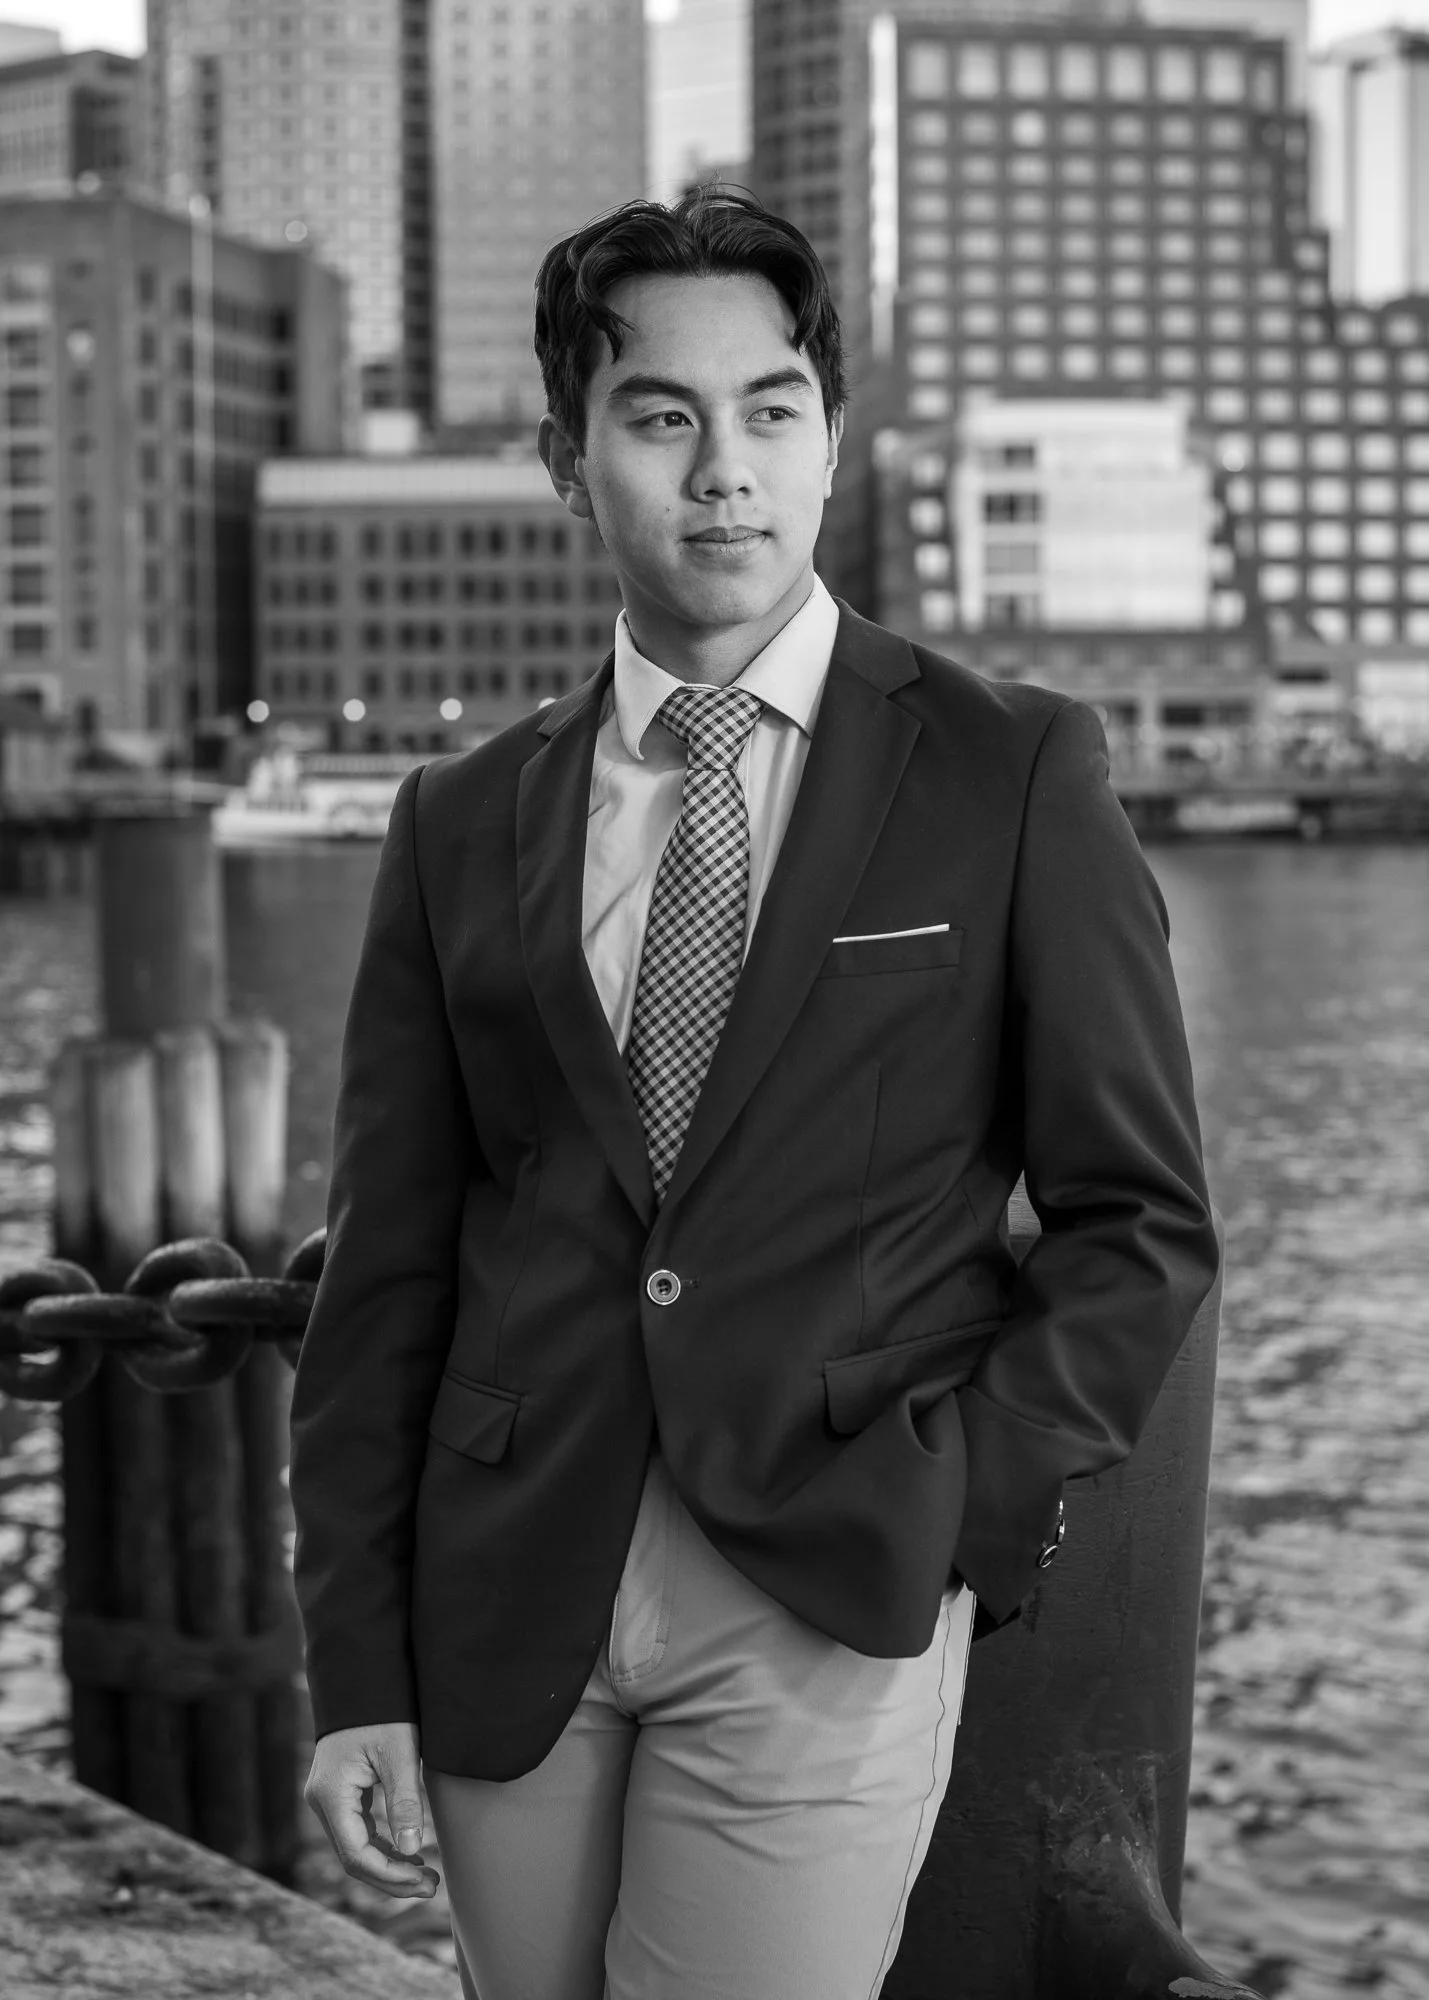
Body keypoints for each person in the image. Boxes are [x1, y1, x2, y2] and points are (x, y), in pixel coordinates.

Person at [290, 188, 1219, 2000]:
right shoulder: (459, 818)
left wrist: (959, 1508)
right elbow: (386, 1269)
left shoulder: (1012, 770)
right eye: (662, 417)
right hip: (507, 1594)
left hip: (824, 1584)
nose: (726, 469)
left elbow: (1141, 1221)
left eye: (772, 410)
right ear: (570, 460)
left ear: (832, 441)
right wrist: (359, 1676)